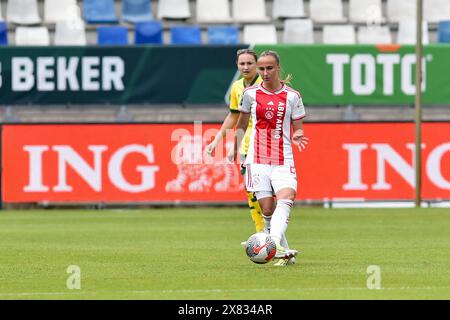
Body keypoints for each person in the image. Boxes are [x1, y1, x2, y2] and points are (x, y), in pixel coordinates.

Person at [230, 50, 309, 266]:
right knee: (266, 209)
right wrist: (235, 147)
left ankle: (273, 243)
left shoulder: (293, 96)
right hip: (257, 159)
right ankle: (282, 251)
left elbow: (298, 126)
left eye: (269, 68)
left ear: (278, 68)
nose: (265, 72)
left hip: (283, 158)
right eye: (262, 69)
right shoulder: (250, 94)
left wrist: (299, 134)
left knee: (286, 198)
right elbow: (242, 123)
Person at [205, 49, 265, 235]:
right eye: (242, 64)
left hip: (266, 146)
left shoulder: (267, 86)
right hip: (246, 148)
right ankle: (261, 232)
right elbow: (234, 117)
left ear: (257, 65)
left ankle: (274, 234)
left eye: (249, 63)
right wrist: (217, 141)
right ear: (237, 66)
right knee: (250, 190)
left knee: (267, 193)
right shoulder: (237, 87)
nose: (246, 67)